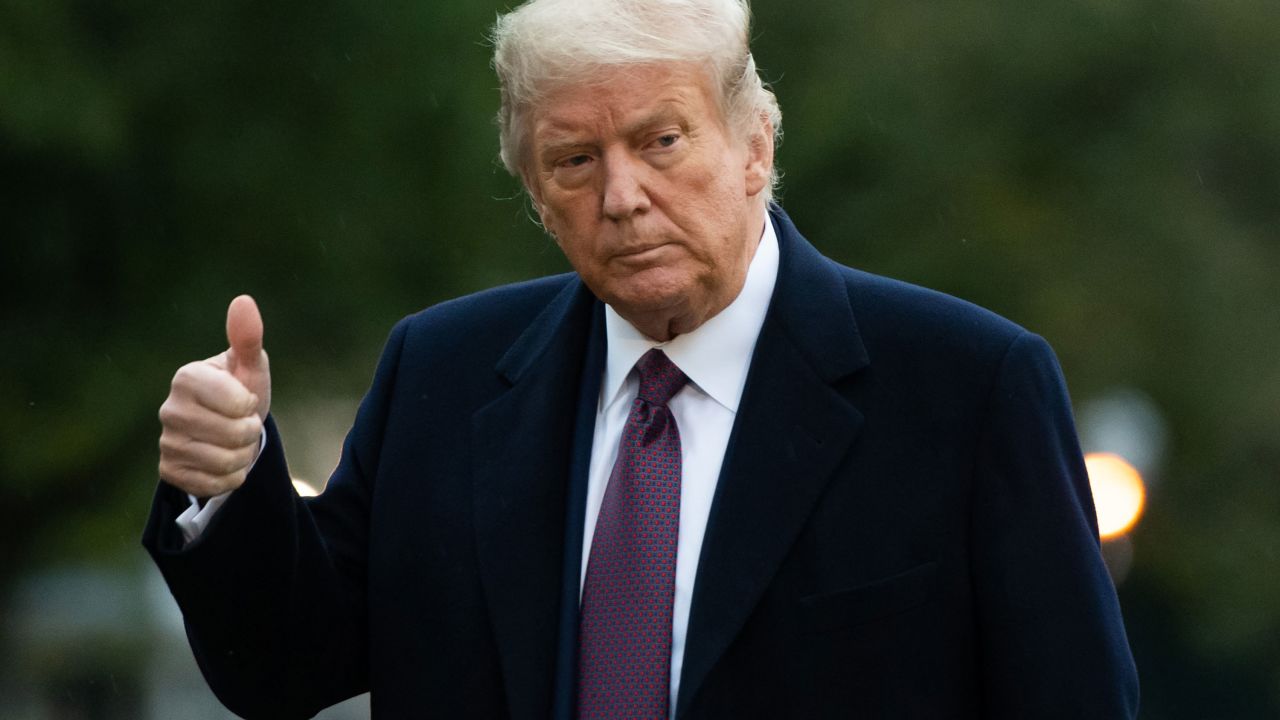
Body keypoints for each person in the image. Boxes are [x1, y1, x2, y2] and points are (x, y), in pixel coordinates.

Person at [143, 0, 1140, 717]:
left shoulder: (963, 388)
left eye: (660, 141)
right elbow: (283, 670)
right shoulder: (440, 376)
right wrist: (226, 487)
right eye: (573, 161)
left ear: (753, 145)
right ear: (534, 193)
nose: (619, 196)